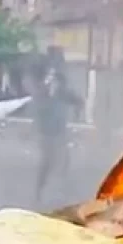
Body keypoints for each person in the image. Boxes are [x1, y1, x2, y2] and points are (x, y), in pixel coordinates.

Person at [27, 64, 83, 202]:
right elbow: (37, 111)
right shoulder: (43, 93)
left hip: (59, 133)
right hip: (47, 134)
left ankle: (62, 191)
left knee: (63, 161)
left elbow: (79, 101)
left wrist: (77, 113)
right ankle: (38, 192)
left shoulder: (63, 93)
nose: (54, 83)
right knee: (47, 163)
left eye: (57, 80)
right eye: (51, 79)